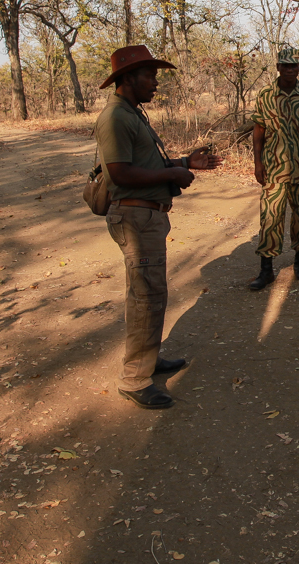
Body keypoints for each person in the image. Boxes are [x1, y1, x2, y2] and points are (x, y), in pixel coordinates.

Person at [95, 45, 220, 410]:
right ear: (128, 78)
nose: (155, 83)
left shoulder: (133, 114)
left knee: (152, 293)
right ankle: (135, 379)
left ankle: (148, 359)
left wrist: (184, 161)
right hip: (134, 218)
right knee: (146, 296)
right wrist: (172, 174)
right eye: (149, 76)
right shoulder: (115, 117)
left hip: (147, 216)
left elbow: (142, 161)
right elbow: (119, 173)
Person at [249, 47, 299, 290]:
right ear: (278, 67)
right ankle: (266, 269)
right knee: (270, 216)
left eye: (294, 66)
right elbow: (258, 130)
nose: (289, 69)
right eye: (285, 65)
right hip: (273, 167)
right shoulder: (265, 95)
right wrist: (257, 162)